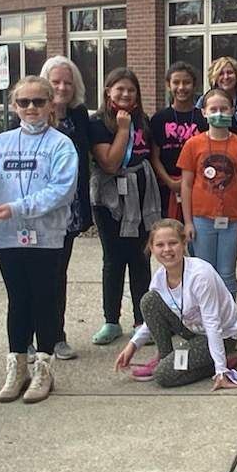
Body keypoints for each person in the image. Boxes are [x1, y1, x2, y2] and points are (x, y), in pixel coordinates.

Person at [0, 76, 78, 406]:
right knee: (17, 300)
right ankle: (17, 367)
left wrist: (17, 207)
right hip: (9, 236)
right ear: (14, 106)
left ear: (51, 104)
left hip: (46, 236)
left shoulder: (61, 145)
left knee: (44, 299)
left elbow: (61, 190)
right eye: (23, 102)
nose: (31, 108)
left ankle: (44, 368)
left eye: (38, 102)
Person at [115, 220, 237, 390]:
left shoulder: (200, 275)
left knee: (163, 376)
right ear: (152, 249)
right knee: (149, 300)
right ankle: (165, 357)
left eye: (173, 243)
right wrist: (132, 345)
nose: (167, 249)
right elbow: (152, 318)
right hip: (191, 330)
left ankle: (223, 360)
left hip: (222, 336)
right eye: (160, 245)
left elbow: (212, 323)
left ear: (184, 244)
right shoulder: (160, 277)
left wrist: (221, 371)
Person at [88, 68, 166, 346]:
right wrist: (122, 130)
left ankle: (142, 320)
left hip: (143, 195)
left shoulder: (143, 120)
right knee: (114, 259)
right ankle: (111, 320)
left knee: (141, 258)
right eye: (119, 89)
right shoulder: (97, 122)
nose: (125, 94)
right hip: (111, 198)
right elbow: (109, 162)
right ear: (108, 91)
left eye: (131, 90)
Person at [178, 87, 237, 290]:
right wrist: (187, 222)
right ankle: (207, 319)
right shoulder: (193, 145)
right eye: (213, 109)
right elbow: (185, 185)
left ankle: (227, 320)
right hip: (201, 218)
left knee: (227, 273)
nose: (218, 113)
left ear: (232, 110)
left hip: (233, 219)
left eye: (224, 108)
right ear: (204, 112)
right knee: (204, 272)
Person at [42, 56, 93, 360]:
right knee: (38, 275)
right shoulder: (31, 113)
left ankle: (56, 335)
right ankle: (33, 335)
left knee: (58, 274)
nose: (61, 87)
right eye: (56, 81)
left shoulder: (79, 116)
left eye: (67, 82)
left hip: (69, 213)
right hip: (38, 213)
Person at [150, 60, 207, 220]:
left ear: (194, 85)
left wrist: (189, 181)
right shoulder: (159, 118)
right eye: (176, 82)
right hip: (166, 188)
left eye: (186, 82)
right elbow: (154, 156)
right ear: (169, 85)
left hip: (199, 185)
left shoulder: (202, 118)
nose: (181, 87)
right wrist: (169, 182)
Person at [207, 56, 237, 128]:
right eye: (221, 74)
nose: (226, 77)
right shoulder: (204, 101)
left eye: (230, 72)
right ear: (214, 78)